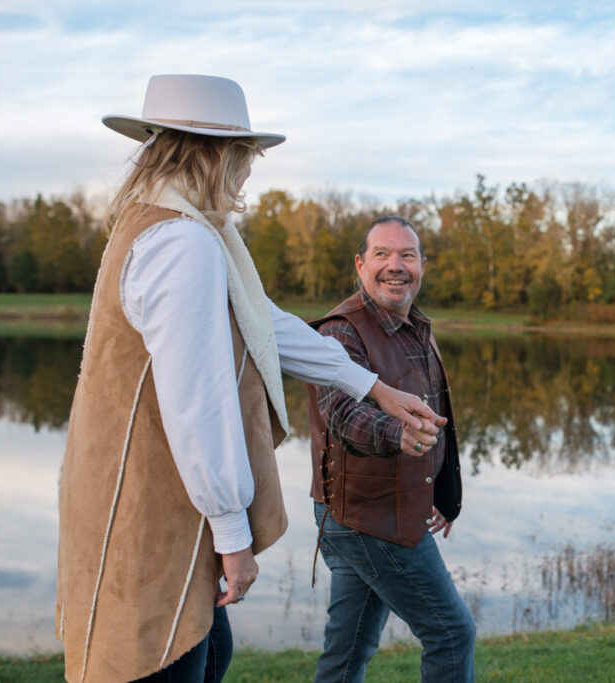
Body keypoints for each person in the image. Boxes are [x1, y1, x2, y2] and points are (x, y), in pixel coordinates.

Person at [55, 75, 441, 683]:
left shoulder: (173, 226)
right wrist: (232, 535)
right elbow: (197, 403)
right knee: (167, 659)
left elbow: (264, 323)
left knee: (207, 653)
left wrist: (372, 387)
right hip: (155, 506)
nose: (247, 173)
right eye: (246, 156)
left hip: (151, 496)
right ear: (221, 154)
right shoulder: (182, 242)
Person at [306, 216, 475, 682]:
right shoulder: (341, 332)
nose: (395, 266)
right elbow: (342, 413)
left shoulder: (414, 325)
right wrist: (393, 433)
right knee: (452, 634)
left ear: (422, 266)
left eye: (407, 255)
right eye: (382, 254)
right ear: (360, 264)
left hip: (373, 515)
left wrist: (440, 492)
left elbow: (437, 417)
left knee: (347, 654)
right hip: (371, 519)